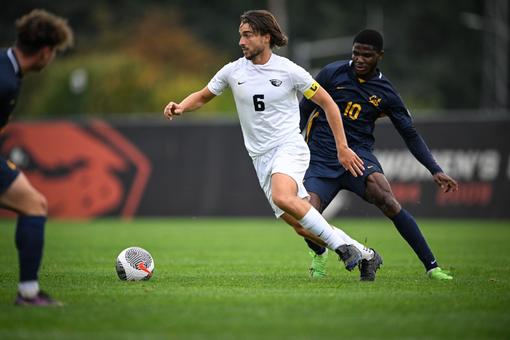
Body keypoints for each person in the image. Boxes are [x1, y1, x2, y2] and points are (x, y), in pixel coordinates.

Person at [164, 10, 383, 278]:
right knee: (303, 227)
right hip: (260, 158)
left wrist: (342, 147)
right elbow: (202, 95)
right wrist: (181, 107)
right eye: (240, 36)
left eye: (247, 35)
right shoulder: (233, 71)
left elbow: (328, 103)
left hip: (288, 147)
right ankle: (365, 255)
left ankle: (341, 247)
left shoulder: (289, 70)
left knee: (283, 196)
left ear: (265, 37)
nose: (241, 42)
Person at [297, 29, 458, 280]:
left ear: (379, 56)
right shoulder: (332, 73)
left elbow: (410, 134)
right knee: (305, 216)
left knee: (388, 200)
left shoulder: (386, 93)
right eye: (355, 53)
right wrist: (298, 142)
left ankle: (432, 266)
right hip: (321, 158)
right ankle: (319, 253)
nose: (359, 59)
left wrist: (435, 169)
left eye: (367, 55)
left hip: (358, 157)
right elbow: (305, 107)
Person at [1, 9, 73, 305]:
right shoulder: (5, 81)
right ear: (45, 52)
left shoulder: (7, 68)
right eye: (55, 52)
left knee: (33, 203)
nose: (52, 57)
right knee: (34, 205)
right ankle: (28, 293)